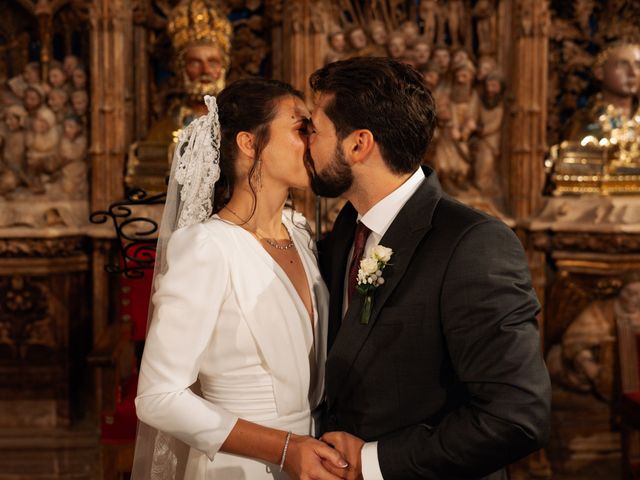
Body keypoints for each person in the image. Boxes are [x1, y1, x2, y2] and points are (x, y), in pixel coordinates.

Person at [304, 56, 551, 479]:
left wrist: (372, 462)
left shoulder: (473, 244)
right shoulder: (347, 228)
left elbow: (516, 416)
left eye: (313, 129)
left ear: (358, 144)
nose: (305, 142)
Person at [133, 78, 348, 479]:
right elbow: (158, 397)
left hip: (315, 460)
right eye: (300, 127)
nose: (312, 139)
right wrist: (284, 449)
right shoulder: (206, 247)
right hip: (239, 465)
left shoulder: (298, 232)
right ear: (250, 144)